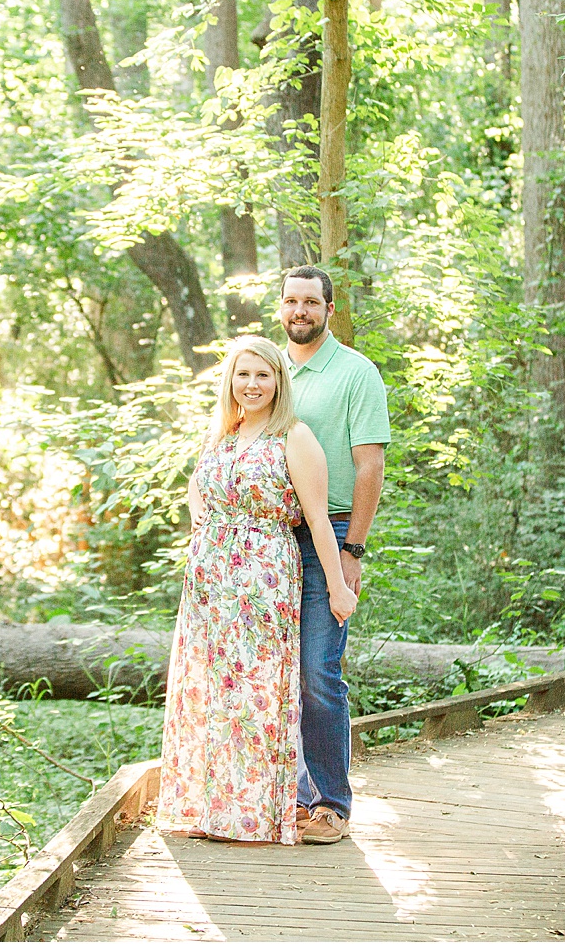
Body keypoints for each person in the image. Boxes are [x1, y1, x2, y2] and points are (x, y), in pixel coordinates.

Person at [155, 336, 356, 844]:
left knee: (258, 692)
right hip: (211, 584)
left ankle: (261, 812)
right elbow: (197, 489)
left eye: (263, 375)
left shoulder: (295, 437)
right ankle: (215, 809)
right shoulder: (223, 434)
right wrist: (204, 528)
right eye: (243, 375)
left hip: (263, 581)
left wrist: (338, 587)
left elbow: (316, 520)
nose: (252, 385)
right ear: (230, 381)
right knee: (215, 689)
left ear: (278, 381)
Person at [279, 265, 390, 845]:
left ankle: (330, 803)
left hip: (336, 528)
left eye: (311, 303)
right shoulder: (269, 370)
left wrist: (352, 550)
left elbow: (369, 465)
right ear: (281, 307)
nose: (300, 311)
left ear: (328, 308)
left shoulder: (356, 374)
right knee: (277, 670)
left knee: (319, 670)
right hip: (271, 535)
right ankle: (288, 795)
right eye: (291, 301)